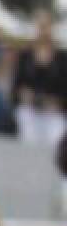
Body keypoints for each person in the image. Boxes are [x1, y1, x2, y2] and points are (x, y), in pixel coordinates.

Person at [12, 10, 67, 147]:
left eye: (46, 26)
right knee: (28, 139)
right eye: (40, 26)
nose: (43, 30)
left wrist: (56, 101)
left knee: (55, 141)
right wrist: (24, 95)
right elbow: (17, 85)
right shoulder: (26, 56)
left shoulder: (62, 59)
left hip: (53, 113)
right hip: (30, 110)